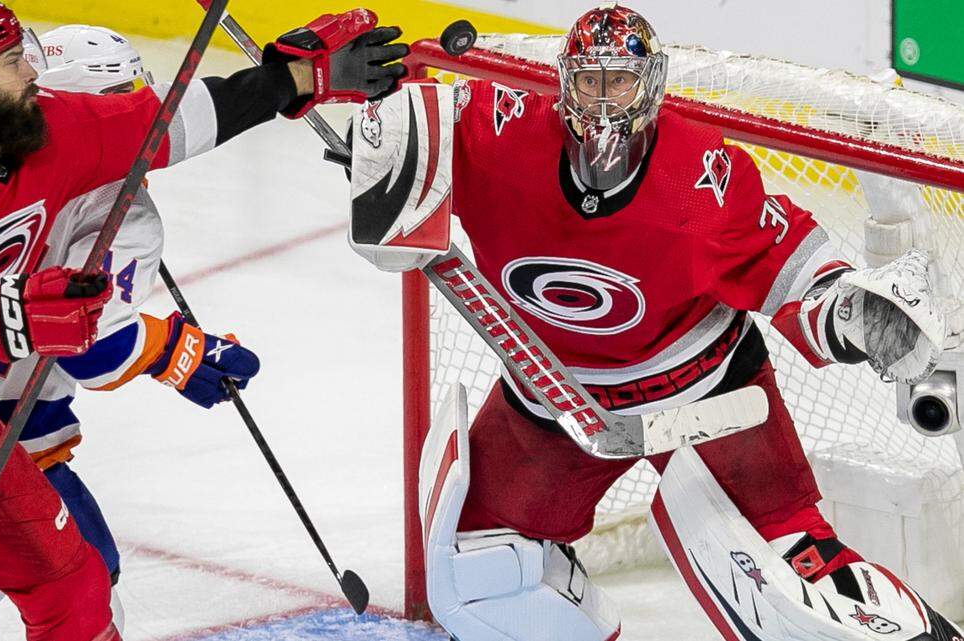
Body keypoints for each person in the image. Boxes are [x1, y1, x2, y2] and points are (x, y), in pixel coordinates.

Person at [348, 3, 961, 640]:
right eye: (590, 80)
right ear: (564, 80)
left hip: (704, 396)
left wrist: (848, 307)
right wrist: (367, 114)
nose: (605, 100)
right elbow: (424, 111)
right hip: (556, 398)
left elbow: (782, 256)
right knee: (482, 571)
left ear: (652, 83)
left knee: (796, 585)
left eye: (621, 81)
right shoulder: (503, 131)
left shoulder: (699, 177)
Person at [0, 1, 408, 639]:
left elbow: (166, 121)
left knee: (76, 588)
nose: (33, 76)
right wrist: (16, 315)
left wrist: (291, 80)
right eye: (16, 62)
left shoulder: (48, 129)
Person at [0, 24, 264, 635]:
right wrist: (181, 353)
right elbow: (95, 352)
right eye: (127, 98)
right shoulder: (121, 212)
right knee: (87, 593)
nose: (140, 113)